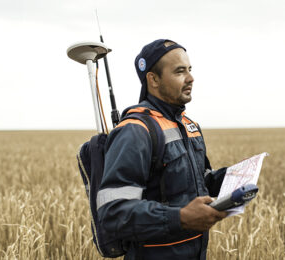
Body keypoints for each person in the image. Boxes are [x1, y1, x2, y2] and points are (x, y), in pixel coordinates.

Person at [97, 39, 228, 260]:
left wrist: (232, 178)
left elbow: (197, 181)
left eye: (189, 70)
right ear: (154, 79)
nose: (190, 78)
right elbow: (113, 213)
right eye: (179, 71)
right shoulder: (135, 131)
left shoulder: (189, 125)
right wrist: (181, 217)